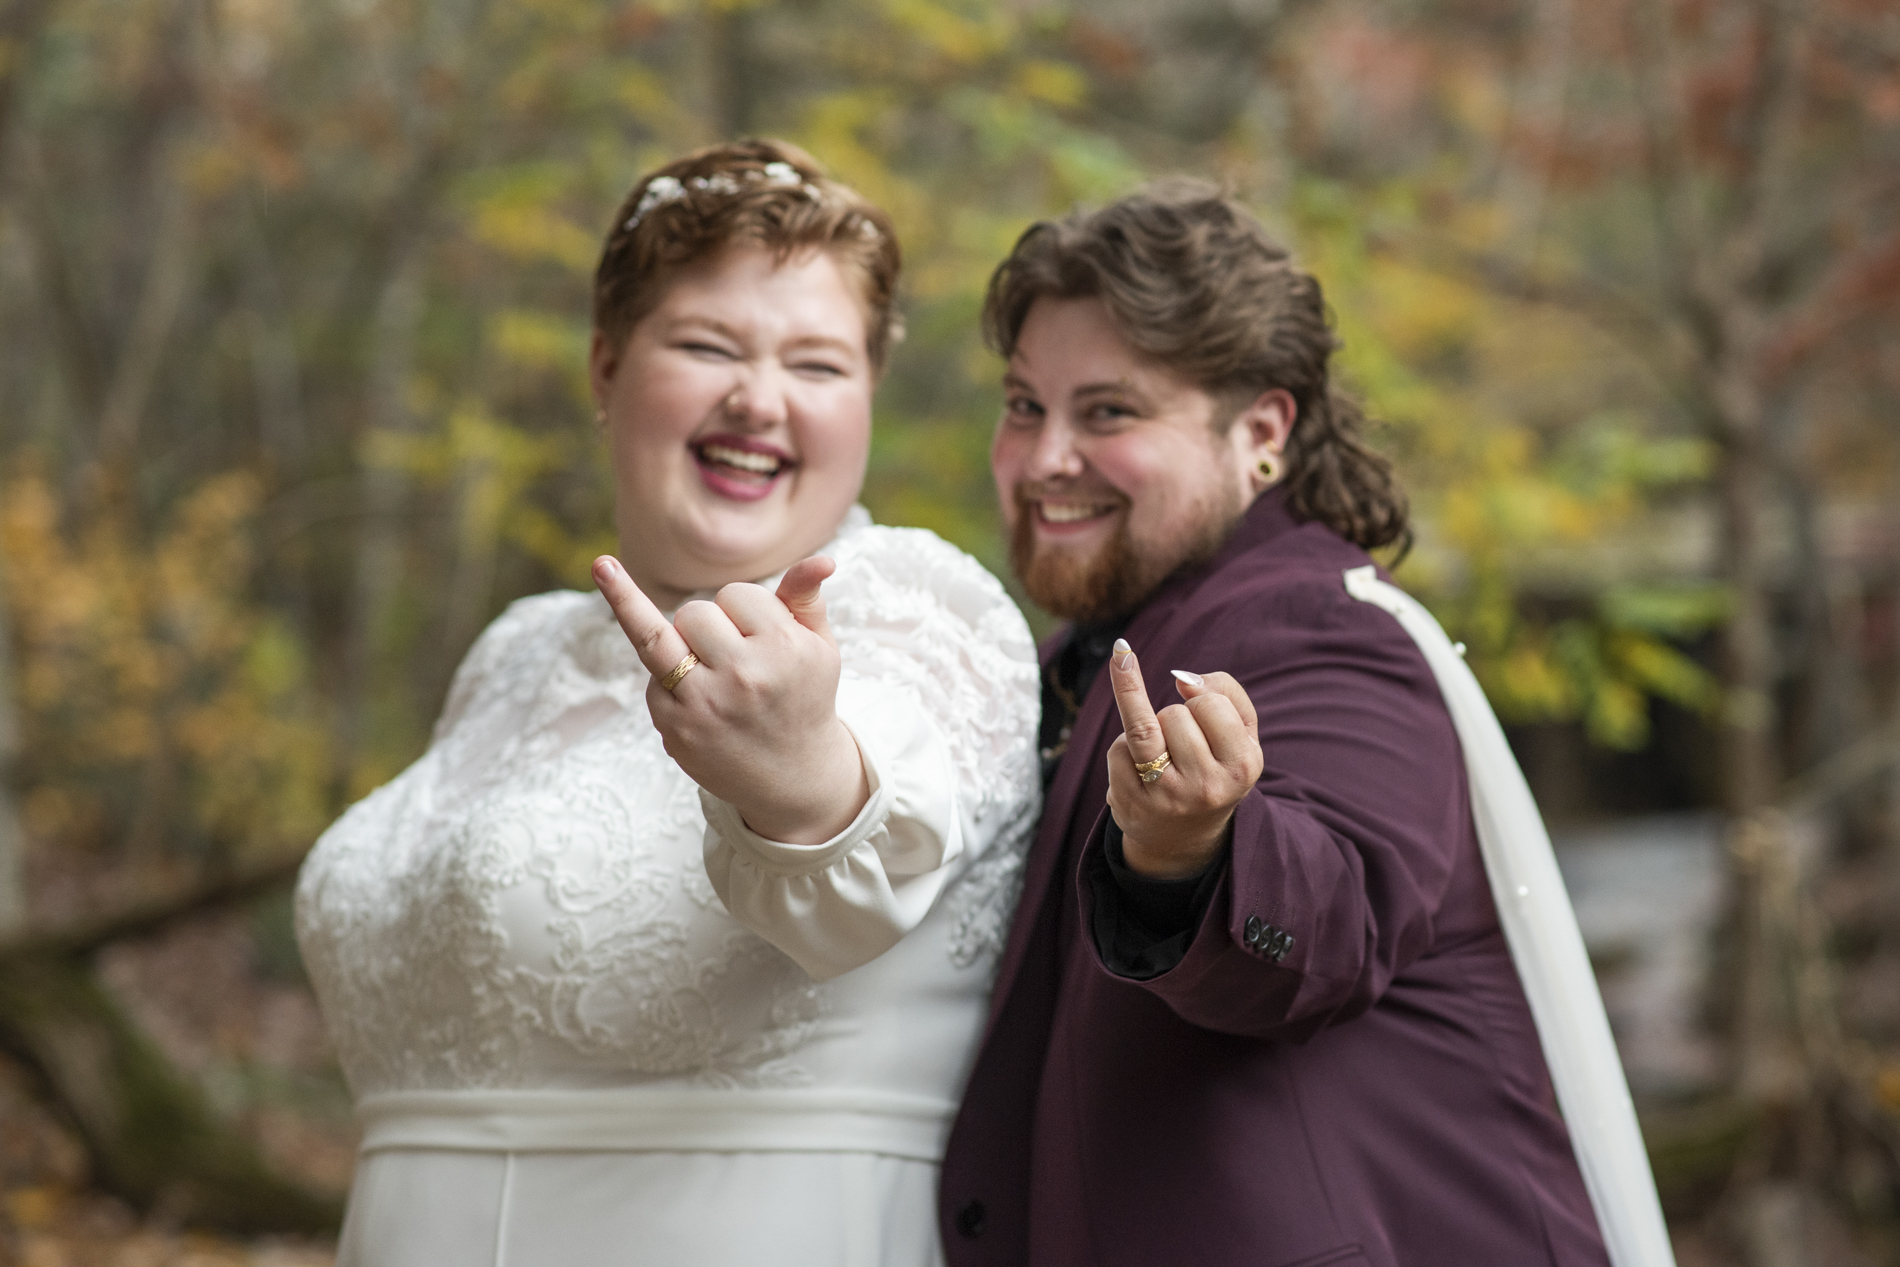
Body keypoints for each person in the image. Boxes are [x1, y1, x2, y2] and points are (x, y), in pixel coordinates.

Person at [295, 139, 1041, 1267]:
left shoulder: (913, 607)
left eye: (819, 365)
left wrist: (798, 774)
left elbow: (859, 867)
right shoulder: (515, 653)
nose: (759, 398)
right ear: (605, 367)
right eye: (706, 346)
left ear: (868, 401)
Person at [937, 182, 1651, 1266]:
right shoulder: (1075, 660)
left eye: (1109, 412)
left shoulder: (1318, 627)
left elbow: (1330, 919)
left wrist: (1191, 855)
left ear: (1260, 429)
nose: (1043, 459)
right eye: (1025, 405)